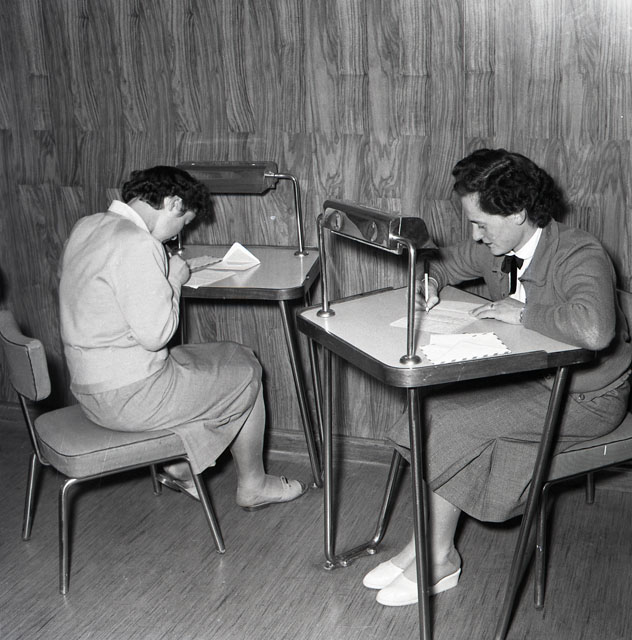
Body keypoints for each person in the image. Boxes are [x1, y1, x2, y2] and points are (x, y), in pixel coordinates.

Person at [362, 148, 632, 606]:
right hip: (530, 380)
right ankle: (423, 546)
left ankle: (439, 557)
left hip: (586, 397)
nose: (474, 234)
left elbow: (594, 329)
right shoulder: (497, 245)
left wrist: (522, 312)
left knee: (450, 425)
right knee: (433, 408)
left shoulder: (579, 252)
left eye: (481, 224)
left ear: (519, 213)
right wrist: (428, 285)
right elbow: (441, 263)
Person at [59, 165, 306, 509]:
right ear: (173, 203)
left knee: (233, 354)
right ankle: (254, 485)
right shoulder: (138, 243)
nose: (178, 236)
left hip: (89, 390)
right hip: (131, 398)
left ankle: (179, 465)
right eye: (184, 223)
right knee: (246, 371)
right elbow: (157, 335)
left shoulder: (86, 226)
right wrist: (174, 278)